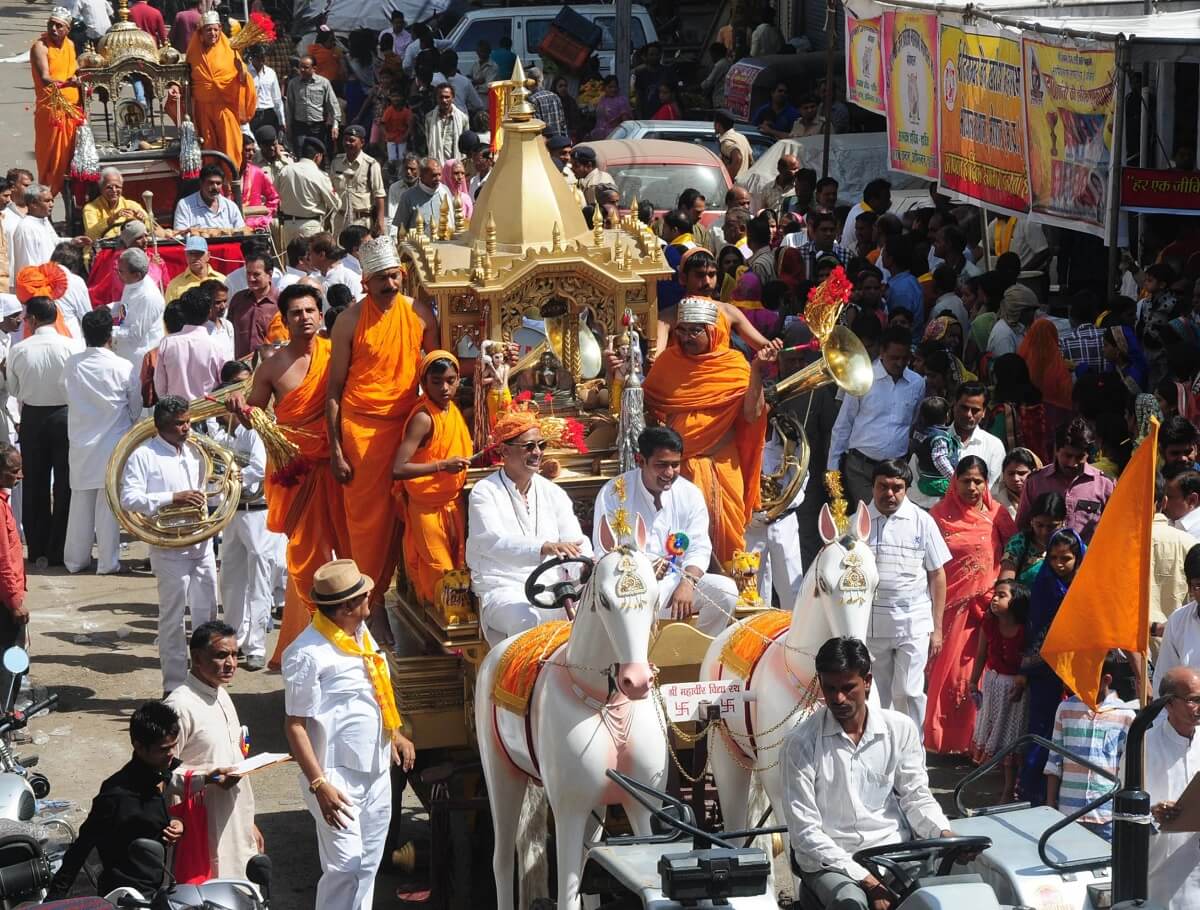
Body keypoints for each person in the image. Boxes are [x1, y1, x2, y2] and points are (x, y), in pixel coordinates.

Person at [226, 284, 349, 668]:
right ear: (285, 319)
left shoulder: (338, 353)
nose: (305, 317)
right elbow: (251, 416)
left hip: (339, 465)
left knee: (348, 546)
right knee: (304, 556)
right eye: (296, 312)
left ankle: (350, 632)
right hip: (297, 470)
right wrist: (239, 408)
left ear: (319, 312)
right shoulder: (273, 366)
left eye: (311, 310)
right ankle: (308, 638)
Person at [784, 637, 956, 910]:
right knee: (851, 904)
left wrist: (945, 835)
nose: (838, 698)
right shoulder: (801, 743)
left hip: (895, 853)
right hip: (832, 861)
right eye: (830, 689)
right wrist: (867, 881)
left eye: (847, 687)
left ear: (867, 681)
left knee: (947, 896)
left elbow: (916, 797)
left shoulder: (900, 729)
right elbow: (805, 834)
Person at [283, 558, 415, 909]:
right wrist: (319, 784)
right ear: (346, 607)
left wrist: (396, 733)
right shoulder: (306, 654)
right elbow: (294, 725)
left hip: (376, 772)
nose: (371, 597)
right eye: (364, 595)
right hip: (335, 779)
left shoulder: (359, 634)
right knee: (345, 866)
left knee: (367, 865)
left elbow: (376, 687)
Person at [327, 237, 436, 630]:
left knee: (414, 518)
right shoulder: (350, 321)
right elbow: (334, 390)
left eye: (394, 277)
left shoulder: (419, 314)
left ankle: (415, 603)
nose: (389, 286)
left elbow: (439, 371)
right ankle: (367, 611)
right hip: (361, 434)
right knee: (368, 529)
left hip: (408, 429)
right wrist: (337, 450)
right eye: (381, 280)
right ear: (365, 284)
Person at [642, 296, 779, 565]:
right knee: (679, 543)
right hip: (678, 471)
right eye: (681, 330)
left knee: (731, 545)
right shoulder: (668, 363)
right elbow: (645, 407)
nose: (686, 337)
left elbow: (752, 413)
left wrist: (757, 373)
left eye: (695, 330)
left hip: (723, 466)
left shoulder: (735, 365)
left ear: (713, 331)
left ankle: (731, 597)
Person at [466, 407, 592, 645]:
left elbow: (576, 540)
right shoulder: (484, 492)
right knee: (525, 619)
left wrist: (585, 565)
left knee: (600, 614)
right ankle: (520, 682)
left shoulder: (553, 492)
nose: (537, 453)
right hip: (504, 590)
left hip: (557, 587)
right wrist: (543, 547)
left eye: (541, 445)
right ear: (504, 450)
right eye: (529, 446)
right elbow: (494, 542)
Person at [593, 427, 738, 634]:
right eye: (661, 465)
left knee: (725, 591)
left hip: (675, 585)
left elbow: (699, 547)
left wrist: (687, 584)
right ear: (640, 460)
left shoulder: (689, 493)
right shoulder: (615, 492)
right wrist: (641, 569)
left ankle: (697, 656)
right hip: (629, 590)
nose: (669, 473)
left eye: (675, 465)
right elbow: (604, 553)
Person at [120, 396, 219, 694]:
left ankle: (206, 679)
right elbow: (128, 498)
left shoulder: (195, 452)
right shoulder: (143, 456)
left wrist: (222, 487)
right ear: (162, 425)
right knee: (173, 618)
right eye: (180, 423)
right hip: (168, 548)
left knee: (207, 613)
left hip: (201, 545)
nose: (187, 428)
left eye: (188, 421)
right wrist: (172, 498)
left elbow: (208, 492)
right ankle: (174, 685)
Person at [46, 701, 188, 899]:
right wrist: (53, 900)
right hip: (126, 896)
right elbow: (81, 848)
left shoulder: (163, 772)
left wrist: (175, 823)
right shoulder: (116, 795)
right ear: (139, 746)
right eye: (164, 749)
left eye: (173, 746)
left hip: (159, 888)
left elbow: (155, 819)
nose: (171, 753)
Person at [925, 457, 1016, 753]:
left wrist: (1002, 589)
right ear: (955, 481)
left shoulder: (998, 514)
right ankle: (945, 739)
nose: (973, 487)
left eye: (979, 481)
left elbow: (1014, 550)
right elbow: (928, 563)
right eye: (966, 480)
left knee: (978, 674)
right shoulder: (938, 516)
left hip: (988, 609)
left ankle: (976, 743)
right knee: (950, 674)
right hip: (950, 608)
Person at [165, 621, 262, 874]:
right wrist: (206, 779)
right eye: (221, 655)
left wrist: (248, 824)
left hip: (235, 820)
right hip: (203, 828)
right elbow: (157, 775)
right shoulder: (179, 707)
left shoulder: (221, 694)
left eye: (234, 655)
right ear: (197, 658)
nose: (231, 663)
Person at [864, 458, 951, 733]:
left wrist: (937, 629)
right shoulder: (857, 523)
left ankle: (912, 757)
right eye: (883, 487)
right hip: (871, 626)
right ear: (873, 487)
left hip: (914, 623)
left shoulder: (923, 522)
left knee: (909, 692)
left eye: (897, 488)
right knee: (877, 697)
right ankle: (880, 756)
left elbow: (937, 575)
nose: (889, 494)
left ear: (906, 489)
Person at [391, 351, 472, 607]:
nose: (444, 388)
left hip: (453, 504)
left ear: (459, 379)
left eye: (450, 380)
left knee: (459, 566)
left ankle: (452, 628)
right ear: (424, 384)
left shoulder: (452, 411)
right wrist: (442, 466)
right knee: (441, 568)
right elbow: (398, 468)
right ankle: (450, 628)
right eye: (436, 382)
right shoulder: (424, 418)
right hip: (426, 509)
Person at [64, 309, 139, 576]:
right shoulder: (123, 366)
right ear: (110, 335)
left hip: (81, 441)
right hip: (112, 443)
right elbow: (135, 406)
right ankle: (107, 563)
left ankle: (75, 560)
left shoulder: (72, 364)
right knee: (108, 505)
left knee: (80, 503)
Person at [9, 294, 80, 567]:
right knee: (64, 483)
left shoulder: (20, 349)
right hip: (64, 415)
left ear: (33, 319)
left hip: (34, 417)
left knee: (35, 483)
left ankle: (37, 546)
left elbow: (15, 389)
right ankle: (59, 548)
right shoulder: (71, 346)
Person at [1019, 527, 1085, 804]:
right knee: (1042, 730)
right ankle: (1034, 793)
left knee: (1074, 729)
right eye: (1054, 557)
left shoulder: (1086, 587)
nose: (1059, 564)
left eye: (1066, 558)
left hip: (1078, 670)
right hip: (1045, 672)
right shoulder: (1044, 585)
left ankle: (1070, 794)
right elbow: (1036, 631)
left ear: (1078, 557)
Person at [828, 326, 925, 509]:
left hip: (896, 470)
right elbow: (843, 424)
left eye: (904, 358)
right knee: (869, 517)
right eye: (894, 357)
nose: (899, 363)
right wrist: (833, 467)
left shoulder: (917, 384)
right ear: (882, 352)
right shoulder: (862, 378)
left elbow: (913, 421)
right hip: (861, 468)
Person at [1044, 652, 1135, 841]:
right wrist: (1050, 803)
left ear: (1106, 680)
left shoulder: (1126, 715)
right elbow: (1054, 760)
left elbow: (1128, 768)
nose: (1076, 683)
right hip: (1068, 813)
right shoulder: (1066, 709)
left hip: (1107, 815)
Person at [1136, 667, 1200, 909]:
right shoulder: (1141, 746)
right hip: (1163, 867)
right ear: (1169, 704)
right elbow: (1126, 810)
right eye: (1194, 700)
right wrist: (1155, 812)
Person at [969, 579, 1029, 802]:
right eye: (995, 594)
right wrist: (974, 681)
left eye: (1002, 595)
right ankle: (1005, 784)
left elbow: (1028, 659)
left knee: (1013, 738)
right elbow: (981, 654)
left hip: (1016, 689)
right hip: (993, 685)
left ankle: (1014, 787)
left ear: (1016, 601)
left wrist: (1022, 682)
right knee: (998, 735)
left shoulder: (1025, 629)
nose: (994, 598)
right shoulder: (989, 624)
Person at [1017, 418, 1114, 544]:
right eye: (1067, 456)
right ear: (1056, 450)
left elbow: (1114, 529)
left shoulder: (1105, 485)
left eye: (1079, 457)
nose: (1073, 463)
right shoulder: (1035, 482)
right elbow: (1022, 526)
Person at [187, 12, 256, 173]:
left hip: (225, 109)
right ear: (201, 33)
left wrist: (242, 74)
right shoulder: (192, 54)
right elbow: (185, 79)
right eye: (208, 30)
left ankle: (232, 184)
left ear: (220, 30)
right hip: (203, 110)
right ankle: (212, 184)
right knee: (208, 148)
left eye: (216, 30)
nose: (213, 33)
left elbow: (244, 78)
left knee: (230, 148)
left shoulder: (230, 52)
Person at [31, 9, 81, 200]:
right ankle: (44, 200)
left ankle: (67, 203)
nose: (53, 28)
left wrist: (78, 77)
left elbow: (74, 69)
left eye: (58, 25)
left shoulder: (70, 45)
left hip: (72, 112)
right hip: (51, 113)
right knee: (50, 162)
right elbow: (45, 78)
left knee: (69, 162)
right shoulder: (40, 46)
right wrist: (70, 82)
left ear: (67, 29)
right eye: (50, 24)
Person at [154, 288, 224, 401]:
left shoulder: (167, 343)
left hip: (177, 413)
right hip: (207, 413)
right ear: (209, 312)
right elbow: (223, 384)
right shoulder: (216, 347)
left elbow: (160, 385)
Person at [11, 184, 89, 276]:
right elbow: (28, 264)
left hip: (50, 279)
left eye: (52, 200)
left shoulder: (44, 220)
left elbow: (53, 241)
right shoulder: (26, 227)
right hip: (37, 283)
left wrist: (72, 241)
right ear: (33, 204)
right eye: (47, 201)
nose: (52, 204)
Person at [276, 137, 338, 244]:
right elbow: (335, 204)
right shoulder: (320, 175)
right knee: (311, 259)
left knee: (291, 259)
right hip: (310, 226)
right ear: (317, 156)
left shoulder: (285, 170)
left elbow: (274, 193)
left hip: (288, 225)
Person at [112, 247, 167, 364]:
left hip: (140, 362)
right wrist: (106, 310)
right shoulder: (131, 282)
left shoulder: (149, 297)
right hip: (124, 354)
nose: (117, 273)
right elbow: (126, 306)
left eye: (121, 271)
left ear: (136, 275)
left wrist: (107, 330)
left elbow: (135, 335)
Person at [1000, 491, 1067, 586]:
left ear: (1063, 523)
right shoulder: (1019, 543)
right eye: (1039, 525)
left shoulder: (1071, 545)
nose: (1044, 532)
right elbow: (1005, 583)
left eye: (1051, 527)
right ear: (1031, 521)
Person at [330, 126, 386, 238]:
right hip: (340, 221)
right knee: (340, 254)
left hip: (362, 221)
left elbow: (379, 195)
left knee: (361, 254)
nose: (347, 143)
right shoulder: (336, 162)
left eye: (351, 140)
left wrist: (380, 221)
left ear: (362, 142)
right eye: (345, 140)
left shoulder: (371, 165)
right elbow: (330, 190)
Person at [227, 250, 279, 359]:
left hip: (272, 366)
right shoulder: (238, 300)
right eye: (248, 273)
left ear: (269, 274)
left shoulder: (281, 302)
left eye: (256, 274)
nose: (251, 279)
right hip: (241, 369)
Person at [286, 56, 340, 158]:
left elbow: (333, 104)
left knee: (317, 155)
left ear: (314, 68)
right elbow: (289, 107)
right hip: (300, 126)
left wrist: (335, 125)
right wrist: (288, 126)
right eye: (300, 67)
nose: (302, 70)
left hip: (317, 127)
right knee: (300, 154)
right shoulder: (293, 83)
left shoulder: (324, 83)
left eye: (305, 67)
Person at [82, 168, 150, 241]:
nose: (114, 190)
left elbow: (152, 228)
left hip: (127, 248)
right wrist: (111, 220)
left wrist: (142, 221)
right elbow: (90, 235)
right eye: (109, 187)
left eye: (117, 187)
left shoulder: (132, 205)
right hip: (100, 249)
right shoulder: (91, 208)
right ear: (101, 189)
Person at [911, 396, 958, 501]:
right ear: (947, 416)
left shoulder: (919, 431)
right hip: (939, 484)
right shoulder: (939, 438)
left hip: (923, 480)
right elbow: (940, 459)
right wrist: (954, 478)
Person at [173, 164, 246, 233]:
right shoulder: (185, 205)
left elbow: (242, 232)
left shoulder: (231, 206)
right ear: (201, 183)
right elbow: (180, 235)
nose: (215, 187)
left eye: (218, 183)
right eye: (210, 183)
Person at [393, 158, 455, 235]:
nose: (438, 179)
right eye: (434, 175)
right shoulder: (408, 197)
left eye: (440, 174)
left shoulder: (445, 191)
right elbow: (401, 230)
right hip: (420, 245)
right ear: (422, 175)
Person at [238, 133, 280, 232]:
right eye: (247, 150)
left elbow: (274, 198)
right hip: (231, 228)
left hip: (255, 228)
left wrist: (264, 218)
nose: (252, 153)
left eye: (253, 150)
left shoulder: (257, 172)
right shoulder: (226, 174)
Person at [246, 45, 285, 134]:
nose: (261, 60)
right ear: (252, 57)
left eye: (263, 57)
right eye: (258, 57)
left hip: (268, 113)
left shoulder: (271, 73)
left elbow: (277, 99)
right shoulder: (245, 73)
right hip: (252, 114)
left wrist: (281, 120)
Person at [993, 447, 1039, 518]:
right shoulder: (994, 500)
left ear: (1034, 473)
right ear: (1003, 474)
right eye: (1011, 473)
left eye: (1021, 473)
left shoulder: (1044, 494)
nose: (1015, 479)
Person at [1164, 462, 1200, 537]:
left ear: (1191, 500)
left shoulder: (1196, 534)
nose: (1163, 502)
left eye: (1169, 497)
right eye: (1163, 497)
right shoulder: (1168, 523)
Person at [714, 111, 753, 178]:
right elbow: (751, 161)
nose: (714, 126)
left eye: (714, 123)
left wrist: (727, 179)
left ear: (718, 125)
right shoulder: (741, 137)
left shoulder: (726, 141)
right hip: (744, 183)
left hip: (734, 184)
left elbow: (738, 158)